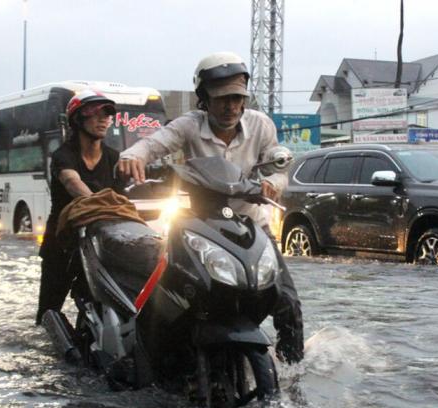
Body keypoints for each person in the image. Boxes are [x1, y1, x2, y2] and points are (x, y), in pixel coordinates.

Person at [117, 51, 304, 363]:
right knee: (169, 298)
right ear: (203, 99)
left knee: (287, 302)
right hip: (200, 228)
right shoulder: (189, 125)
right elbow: (154, 143)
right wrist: (132, 156)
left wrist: (274, 184)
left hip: (252, 227)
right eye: (221, 99)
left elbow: (278, 168)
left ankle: (292, 375)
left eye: (236, 98)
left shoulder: (261, 126)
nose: (230, 106)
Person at [35, 90, 121, 325]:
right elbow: (73, 183)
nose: (103, 119)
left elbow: (129, 193)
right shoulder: (63, 155)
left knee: (102, 305)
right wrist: (106, 206)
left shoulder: (115, 158)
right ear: (77, 119)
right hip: (62, 244)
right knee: (48, 311)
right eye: (96, 114)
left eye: (108, 113)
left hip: (100, 244)